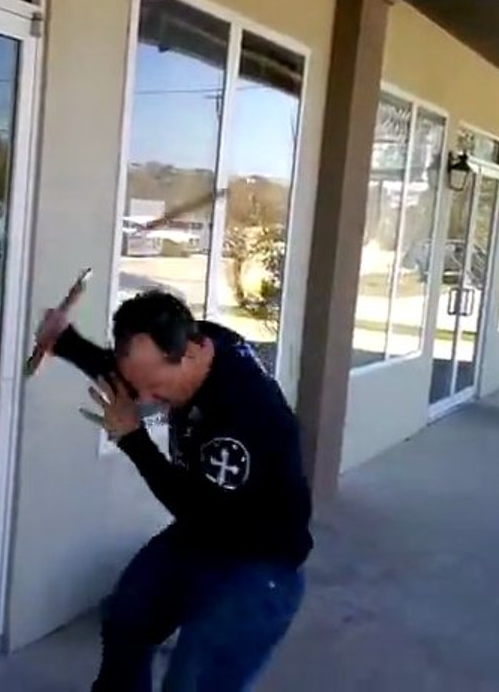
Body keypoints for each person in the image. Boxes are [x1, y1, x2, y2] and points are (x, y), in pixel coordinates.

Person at [35, 290, 313, 691]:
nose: (145, 400)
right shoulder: (198, 342)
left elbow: (195, 509)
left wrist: (133, 438)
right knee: (127, 615)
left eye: (157, 388)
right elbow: (131, 376)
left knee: (191, 679)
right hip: (206, 536)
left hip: (260, 561)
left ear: (191, 353)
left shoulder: (245, 414)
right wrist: (65, 341)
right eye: (140, 387)